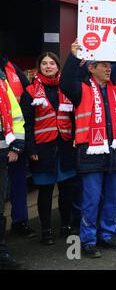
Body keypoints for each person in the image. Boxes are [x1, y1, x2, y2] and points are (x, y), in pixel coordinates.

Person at [60, 40, 116, 258]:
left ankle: (106, 236)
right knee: (91, 199)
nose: (108, 68)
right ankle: (87, 241)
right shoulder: (81, 89)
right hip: (91, 154)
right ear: (91, 68)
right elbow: (66, 84)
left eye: (110, 65)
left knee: (112, 197)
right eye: (103, 65)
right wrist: (74, 57)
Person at [22, 52, 77, 245]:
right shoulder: (29, 91)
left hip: (65, 146)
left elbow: (75, 118)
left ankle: (66, 226)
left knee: (67, 190)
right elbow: (26, 124)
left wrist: (76, 140)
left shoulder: (67, 88)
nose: (48, 66)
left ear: (58, 66)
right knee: (45, 192)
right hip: (42, 148)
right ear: (39, 67)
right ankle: (46, 230)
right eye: (44, 63)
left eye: (52, 63)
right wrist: (31, 149)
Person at [0, 55, 35, 238]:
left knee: (18, 183)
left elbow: (28, 92)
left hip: (15, 138)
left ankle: (20, 222)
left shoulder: (11, 67)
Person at [0, 67, 25, 269]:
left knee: (0, 205)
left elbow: (16, 114)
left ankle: (1, 252)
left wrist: (16, 146)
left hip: (2, 154)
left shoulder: (2, 79)